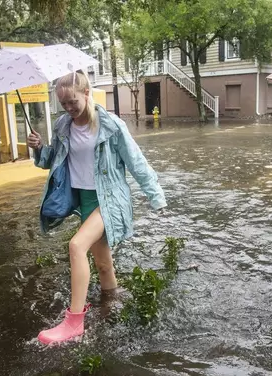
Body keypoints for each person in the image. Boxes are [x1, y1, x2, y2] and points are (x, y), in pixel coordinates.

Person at [27, 71, 167, 345]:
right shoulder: (62, 126)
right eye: (63, 104)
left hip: (110, 198)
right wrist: (39, 147)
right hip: (86, 200)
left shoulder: (110, 125)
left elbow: (136, 162)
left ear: (87, 93)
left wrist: (156, 197)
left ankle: (74, 322)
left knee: (76, 246)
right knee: (103, 265)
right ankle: (112, 304)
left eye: (73, 102)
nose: (68, 108)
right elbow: (53, 161)